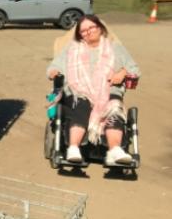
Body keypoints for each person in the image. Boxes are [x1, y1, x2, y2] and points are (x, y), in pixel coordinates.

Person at [46, 14, 139, 166]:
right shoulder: (71, 49)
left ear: (100, 28)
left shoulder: (116, 48)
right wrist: (53, 72)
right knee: (81, 104)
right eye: (83, 31)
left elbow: (134, 69)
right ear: (79, 34)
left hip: (108, 91)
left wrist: (122, 73)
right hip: (78, 91)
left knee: (113, 109)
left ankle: (114, 151)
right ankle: (73, 148)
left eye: (91, 27)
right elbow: (53, 67)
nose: (88, 32)